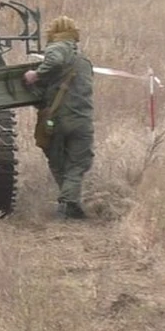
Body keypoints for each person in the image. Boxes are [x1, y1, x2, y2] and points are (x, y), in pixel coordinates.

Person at [23, 16, 95, 220]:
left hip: (57, 119)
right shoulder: (83, 60)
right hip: (82, 120)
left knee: (57, 160)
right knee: (78, 163)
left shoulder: (57, 48)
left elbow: (54, 60)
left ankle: (67, 204)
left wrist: (35, 75)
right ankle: (71, 203)